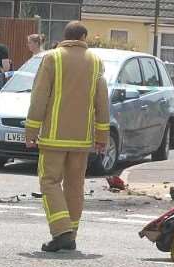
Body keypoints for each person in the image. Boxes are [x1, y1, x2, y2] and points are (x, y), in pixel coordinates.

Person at [25, 21, 109, 252]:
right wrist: (102, 136)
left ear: (66, 36)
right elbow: (102, 102)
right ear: (84, 36)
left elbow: (39, 97)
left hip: (53, 137)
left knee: (49, 181)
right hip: (82, 140)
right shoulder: (96, 61)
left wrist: (31, 131)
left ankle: (61, 231)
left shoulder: (52, 58)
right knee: (75, 186)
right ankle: (71, 234)